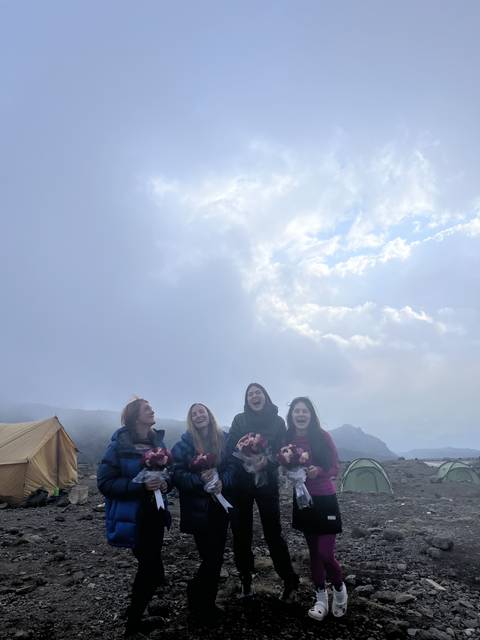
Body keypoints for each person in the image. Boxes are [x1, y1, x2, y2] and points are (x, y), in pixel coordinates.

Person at [97, 398, 172, 638]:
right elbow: (105, 483)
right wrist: (140, 487)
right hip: (135, 517)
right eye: (146, 408)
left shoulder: (156, 442)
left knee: (150, 564)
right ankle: (132, 625)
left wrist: (165, 483)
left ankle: (139, 612)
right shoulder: (119, 444)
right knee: (149, 567)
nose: (152, 410)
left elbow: (167, 475)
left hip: (156, 514)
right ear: (134, 416)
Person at [226, 382, 299, 600]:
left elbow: (283, 451)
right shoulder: (239, 420)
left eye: (258, 393)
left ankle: (289, 581)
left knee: (273, 533)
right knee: (241, 534)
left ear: (265, 396)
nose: (255, 397)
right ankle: (245, 581)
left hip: (267, 484)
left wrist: (265, 462)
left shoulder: (277, 422)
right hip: (241, 485)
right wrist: (244, 454)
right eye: (250, 394)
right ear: (247, 400)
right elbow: (231, 448)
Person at [285, 396, 347, 621]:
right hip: (303, 499)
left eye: (305, 411)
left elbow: (335, 467)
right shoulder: (288, 440)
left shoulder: (322, 436)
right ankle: (320, 598)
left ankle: (339, 591)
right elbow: (282, 465)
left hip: (325, 498)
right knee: (313, 553)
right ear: (291, 416)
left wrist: (318, 471)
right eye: (296, 411)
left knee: (325, 553)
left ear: (311, 415)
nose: (300, 414)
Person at [172, 403, 230, 624]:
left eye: (202, 412)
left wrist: (222, 482)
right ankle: (198, 596)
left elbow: (233, 465)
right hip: (197, 510)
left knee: (216, 557)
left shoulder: (223, 439)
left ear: (209, 415)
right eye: (194, 413)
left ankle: (207, 603)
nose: (199, 416)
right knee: (210, 557)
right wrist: (200, 481)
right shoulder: (183, 444)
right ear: (191, 419)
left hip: (220, 508)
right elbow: (176, 473)